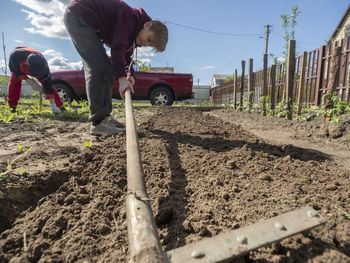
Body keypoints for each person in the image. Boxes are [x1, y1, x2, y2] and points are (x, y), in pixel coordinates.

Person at [64, 0, 168, 136]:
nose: (146, 44)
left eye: (150, 45)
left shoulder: (134, 35)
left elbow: (126, 57)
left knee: (107, 68)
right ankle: (98, 123)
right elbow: (117, 48)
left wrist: (130, 75)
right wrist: (122, 79)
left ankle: (105, 117)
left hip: (87, 23)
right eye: (149, 39)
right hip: (79, 16)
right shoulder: (130, 17)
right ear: (147, 25)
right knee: (97, 67)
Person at [7, 47, 66, 114]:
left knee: (48, 85)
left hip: (36, 67)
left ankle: (61, 107)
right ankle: (12, 107)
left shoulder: (45, 69)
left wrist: (53, 105)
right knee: (14, 80)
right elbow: (13, 68)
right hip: (18, 66)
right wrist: (28, 80)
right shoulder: (16, 55)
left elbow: (49, 87)